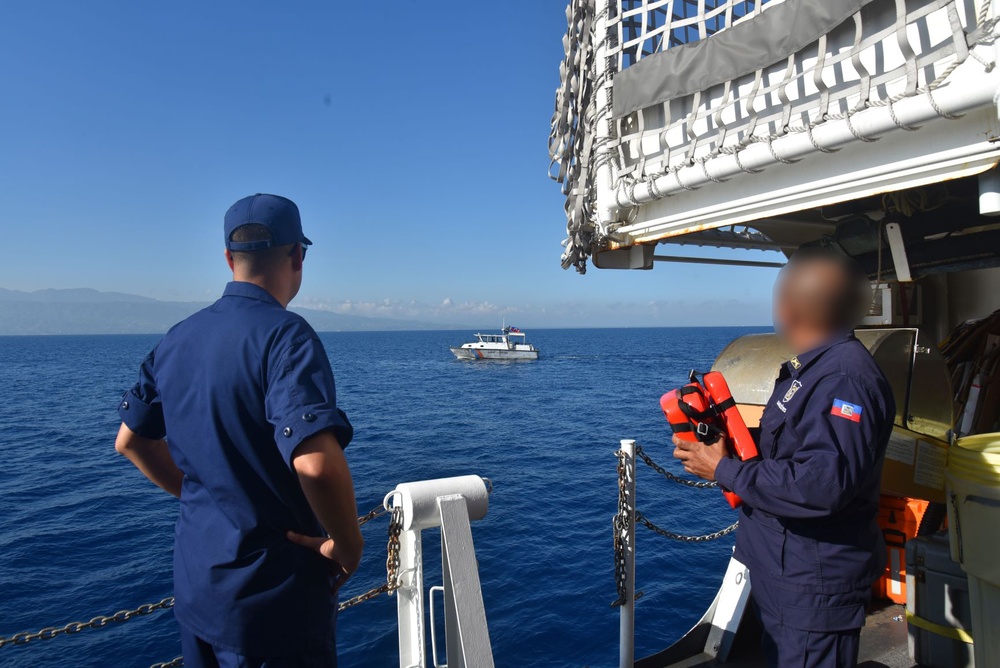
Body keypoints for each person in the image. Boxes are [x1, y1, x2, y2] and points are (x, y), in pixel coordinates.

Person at [114, 193, 363, 668]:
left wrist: (199, 493)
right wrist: (347, 547)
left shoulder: (177, 338)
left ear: (228, 258)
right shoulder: (286, 337)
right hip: (273, 608)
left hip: (197, 592)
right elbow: (316, 465)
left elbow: (131, 441)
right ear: (298, 256)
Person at [673, 246, 895, 668]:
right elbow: (801, 446)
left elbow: (820, 484)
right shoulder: (817, 368)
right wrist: (729, 442)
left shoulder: (844, 379)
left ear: (790, 308)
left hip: (813, 581)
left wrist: (722, 468)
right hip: (789, 572)